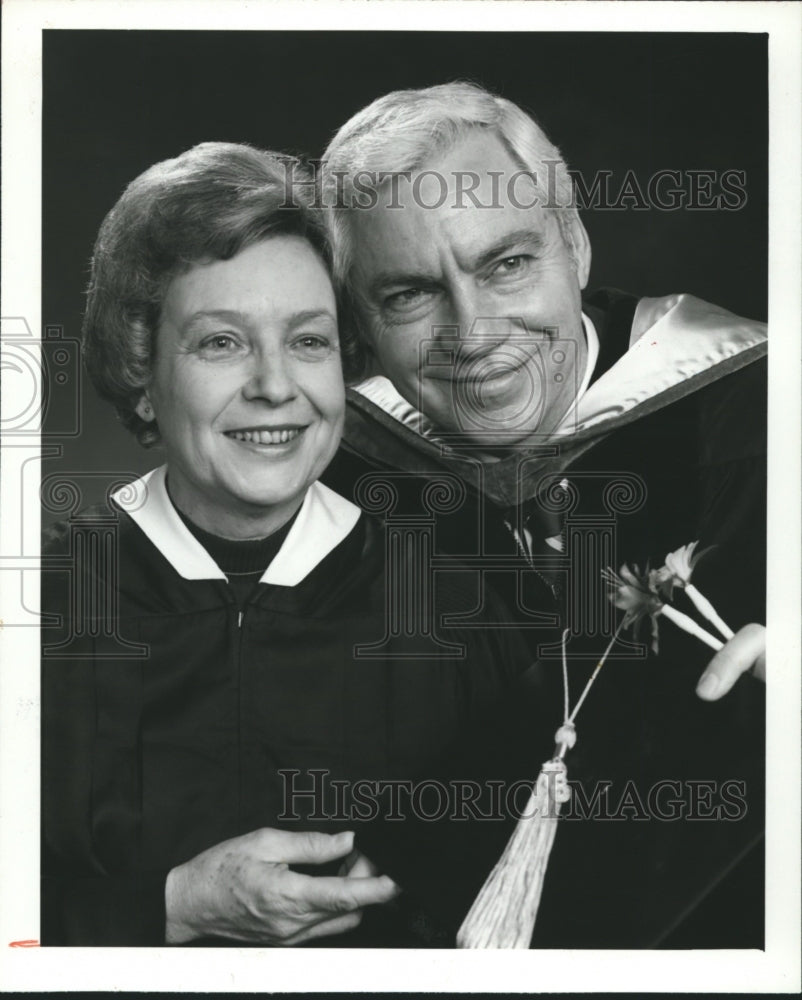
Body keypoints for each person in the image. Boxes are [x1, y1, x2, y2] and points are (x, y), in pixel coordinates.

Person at [40, 141, 532, 947]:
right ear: (142, 372)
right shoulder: (42, 611)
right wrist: (166, 908)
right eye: (221, 342)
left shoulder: (466, 604)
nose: (275, 386)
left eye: (308, 340)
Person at [317, 82, 767, 947]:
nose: (473, 332)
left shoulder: (763, 411)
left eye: (507, 263)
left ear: (576, 244)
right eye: (410, 294)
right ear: (363, 322)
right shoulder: (332, 469)